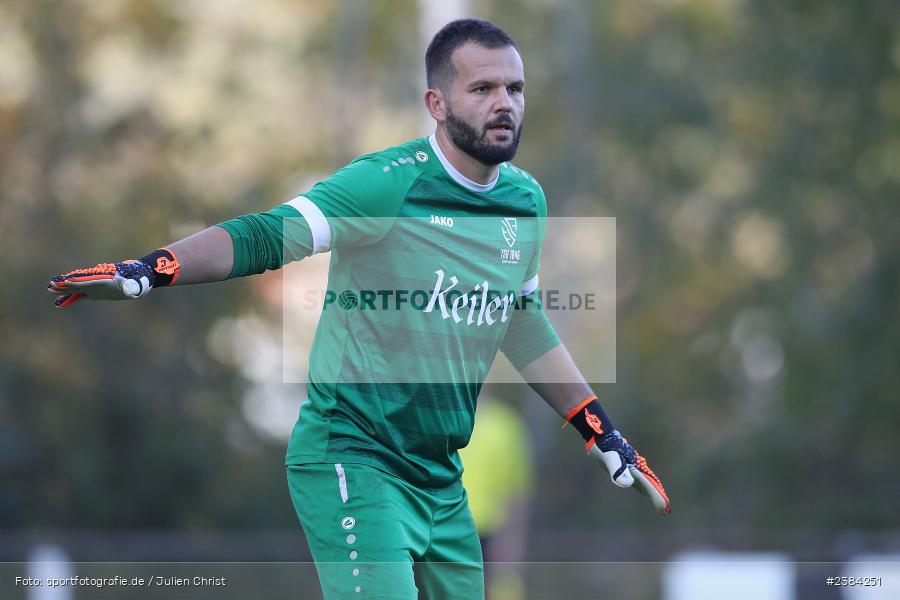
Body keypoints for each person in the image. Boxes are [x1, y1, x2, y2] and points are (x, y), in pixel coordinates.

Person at [48, 18, 669, 600]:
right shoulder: (386, 183)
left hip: (441, 480)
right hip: (354, 457)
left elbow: (521, 319)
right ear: (437, 103)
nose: (503, 102)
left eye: (515, 87)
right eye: (481, 88)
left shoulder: (525, 200)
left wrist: (600, 430)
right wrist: (149, 270)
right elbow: (267, 234)